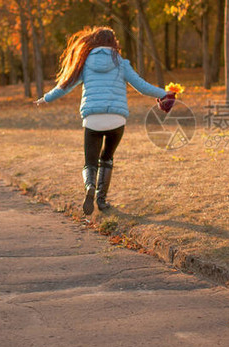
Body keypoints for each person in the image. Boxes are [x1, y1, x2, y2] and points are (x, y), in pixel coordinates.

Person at [34, 27, 175, 215]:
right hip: (116, 120)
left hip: (93, 120)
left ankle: (90, 186)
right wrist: (164, 93)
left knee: (89, 162)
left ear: (93, 42)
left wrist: (45, 98)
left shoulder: (85, 64)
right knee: (106, 158)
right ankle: (101, 200)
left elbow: (65, 86)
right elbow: (142, 86)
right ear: (113, 42)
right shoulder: (121, 63)